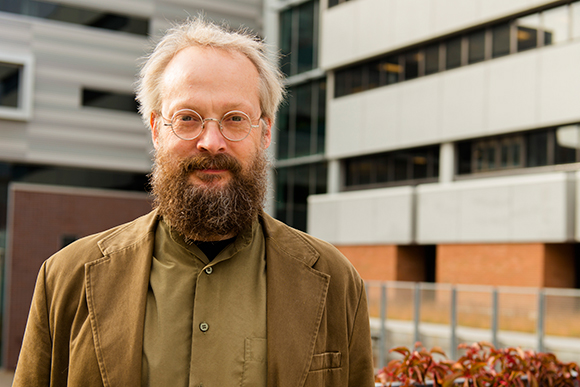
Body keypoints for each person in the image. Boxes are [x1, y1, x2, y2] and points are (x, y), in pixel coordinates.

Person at [13, 17, 375, 387]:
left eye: (235, 119)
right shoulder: (65, 278)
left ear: (265, 132)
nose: (211, 141)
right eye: (188, 118)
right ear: (156, 129)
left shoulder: (336, 281)